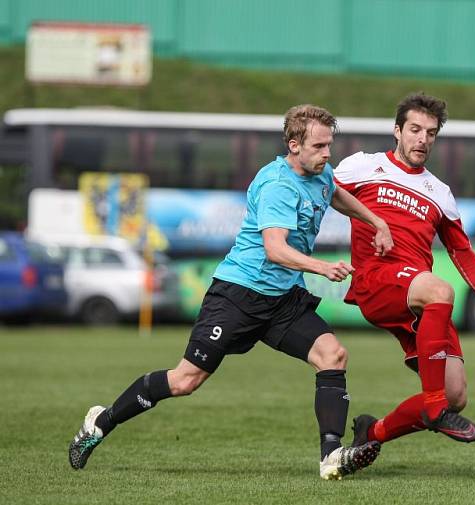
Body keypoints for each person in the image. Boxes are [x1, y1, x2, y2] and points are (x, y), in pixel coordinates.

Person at [69, 104, 394, 480]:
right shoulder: (277, 185)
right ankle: (101, 421)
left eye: (329, 145)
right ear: (294, 145)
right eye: (319, 146)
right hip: (239, 296)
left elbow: (334, 193)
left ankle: (331, 456)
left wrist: (376, 220)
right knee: (185, 381)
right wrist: (323, 267)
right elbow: (275, 248)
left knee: (332, 355)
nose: (327, 153)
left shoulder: (321, 172)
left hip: (282, 300)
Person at [333, 93, 475, 450]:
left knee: (454, 395)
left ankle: (374, 433)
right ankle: (432, 409)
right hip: (377, 279)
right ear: (397, 131)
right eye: (415, 129)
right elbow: (321, 190)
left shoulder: (439, 192)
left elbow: (463, 252)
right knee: (441, 291)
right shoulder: (363, 166)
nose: (422, 139)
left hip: (417, 297)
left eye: (431, 133)